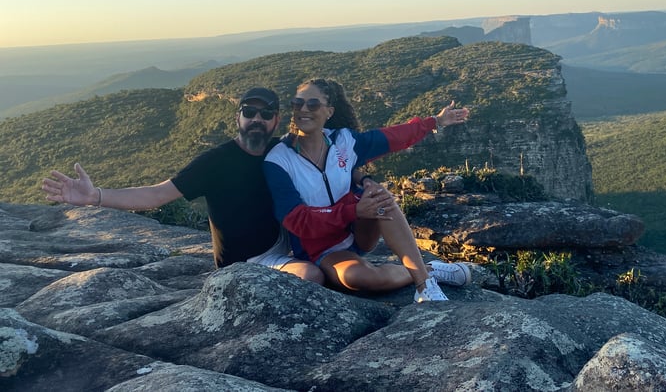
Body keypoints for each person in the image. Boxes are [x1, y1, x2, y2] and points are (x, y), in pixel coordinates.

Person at [41, 86, 324, 284]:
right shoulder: (215, 162)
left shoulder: (282, 151)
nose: (256, 120)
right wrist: (96, 196)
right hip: (248, 262)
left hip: (284, 244)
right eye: (249, 112)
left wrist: (362, 181)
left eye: (265, 114)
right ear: (237, 117)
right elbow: (157, 194)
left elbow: (329, 160)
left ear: (276, 120)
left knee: (337, 263)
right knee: (312, 276)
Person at [263, 78, 472, 303]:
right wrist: (354, 211)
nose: (303, 110)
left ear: (329, 111)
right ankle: (431, 269)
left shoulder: (344, 141)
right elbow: (296, 220)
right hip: (323, 249)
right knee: (359, 277)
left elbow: (393, 137)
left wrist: (435, 121)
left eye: (312, 104)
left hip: (359, 231)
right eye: (297, 103)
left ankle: (425, 286)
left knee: (380, 196)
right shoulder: (279, 160)